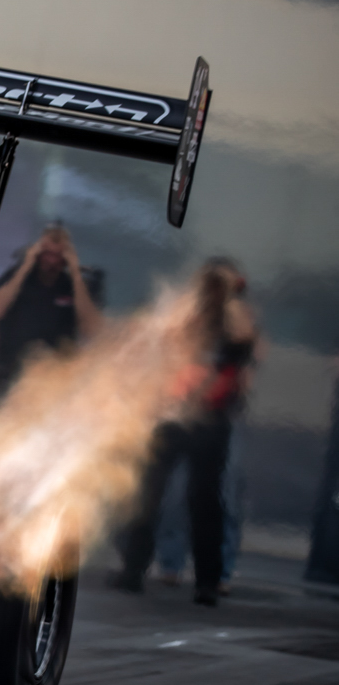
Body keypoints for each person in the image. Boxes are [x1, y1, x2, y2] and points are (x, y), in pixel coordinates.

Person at [114, 259, 259, 605]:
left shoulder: (233, 320)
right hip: (174, 414)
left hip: (210, 420)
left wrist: (229, 294)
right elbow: (158, 336)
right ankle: (133, 568)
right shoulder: (188, 317)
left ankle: (207, 581)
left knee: (205, 498)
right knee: (149, 492)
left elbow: (245, 338)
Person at [0, 221, 102, 404]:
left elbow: (92, 328)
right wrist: (25, 265)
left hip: (52, 381)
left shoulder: (74, 287)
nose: (51, 261)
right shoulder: (18, 276)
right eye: (47, 254)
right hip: (7, 374)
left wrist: (76, 273)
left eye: (57, 255)